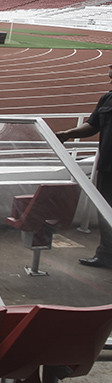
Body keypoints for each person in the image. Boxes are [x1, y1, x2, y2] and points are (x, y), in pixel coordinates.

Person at [57, 65, 112, 268]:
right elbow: (92, 125)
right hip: (107, 168)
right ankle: (106, 255)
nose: (110, 79)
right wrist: (67, 134)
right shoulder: (107, 98)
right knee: (106, 211)